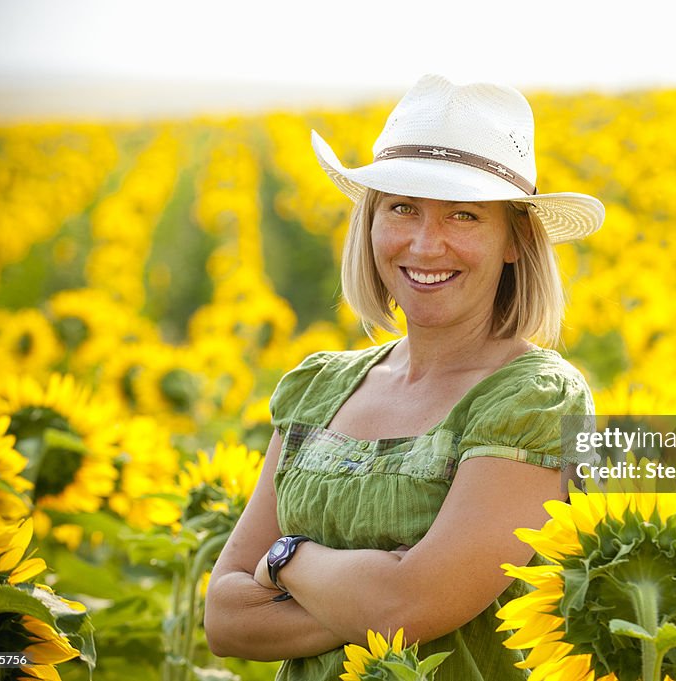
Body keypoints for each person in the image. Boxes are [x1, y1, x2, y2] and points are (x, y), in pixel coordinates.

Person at [204, 74, 605, 680]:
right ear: (370, 224)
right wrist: (388, 588)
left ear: (514, 240)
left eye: (464, 215)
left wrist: (286, 562)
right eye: (402, 208)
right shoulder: (318, 387)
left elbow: (410, 603)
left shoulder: (534, 400)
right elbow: (225, 620)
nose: (425, 243)